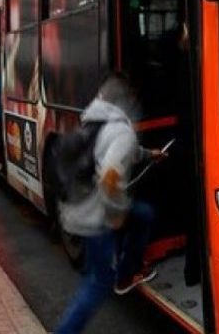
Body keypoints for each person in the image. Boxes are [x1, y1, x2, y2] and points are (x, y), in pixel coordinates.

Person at [56, 74, 166, 334]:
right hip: (95, 216)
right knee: (98, 283)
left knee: (143, 214)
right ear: (127, 101)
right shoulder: (123, 132)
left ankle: (126, 271)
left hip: (75, 207)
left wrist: (149, 155)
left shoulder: (96, 120)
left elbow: (120, 150)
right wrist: (116, 214)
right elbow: (110, 177)